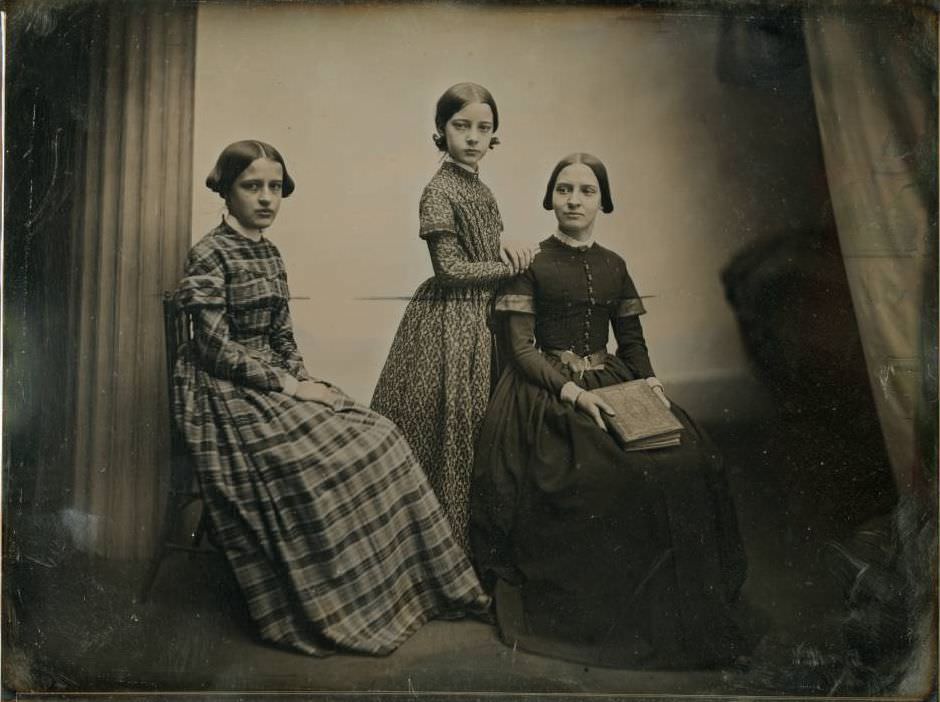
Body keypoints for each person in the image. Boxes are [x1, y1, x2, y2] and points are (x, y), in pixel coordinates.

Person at [173, 140, 489, 657]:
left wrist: (305, 382)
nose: (266, 198)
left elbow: (282, 335)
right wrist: (289, 387)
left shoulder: (270, 252)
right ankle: (339, 603)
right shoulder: (209, 252)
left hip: (272, 379)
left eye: (275, 187)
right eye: (252, 186)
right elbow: (212, 347)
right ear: (226, 190)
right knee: (330, 459)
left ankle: (395, 594)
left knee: (380, 434)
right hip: (221, 390)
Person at [470, 153, 751, 669]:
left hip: (615, 379)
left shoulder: (615, 264)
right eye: (563, 190)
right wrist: (574, 393)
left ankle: (683, 610)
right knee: (609, 473)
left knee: (690, 459)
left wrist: (651, 386)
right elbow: (522, 350)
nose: (573, 200)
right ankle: (613, 613)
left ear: (603, 200)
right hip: (547, 392)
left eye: (586, 190)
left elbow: (633, 341)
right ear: (550, 197)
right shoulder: (529, 263)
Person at [371, 83, 536, 551]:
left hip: (485, 319)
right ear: (441, 131)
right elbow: (450, 269)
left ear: (493, 136)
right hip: (449, 323)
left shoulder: (479, 187)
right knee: (453, 432)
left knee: (482, 431)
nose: (472, 137)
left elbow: (483, 244)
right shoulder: (438, 190)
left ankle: (475, 546)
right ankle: (444, 553)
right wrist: (513, 267)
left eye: (484, 128)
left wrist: (506, 246)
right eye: (461, 126)